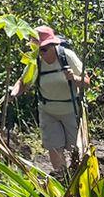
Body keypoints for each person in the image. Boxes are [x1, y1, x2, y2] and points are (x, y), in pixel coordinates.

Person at [8, 25, 88, 173]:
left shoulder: (67, 56)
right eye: (38, 49)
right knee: (54, 148)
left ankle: (78, 179)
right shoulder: (36, 62)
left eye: (44, 49)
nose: (41, 53)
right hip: (48, 112)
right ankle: (62, 180)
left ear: (53, 45)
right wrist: (13, 93)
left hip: (71, 111)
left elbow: (87, 82)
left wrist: (74, 78)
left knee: (76, 150)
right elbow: (23, 82)